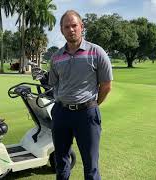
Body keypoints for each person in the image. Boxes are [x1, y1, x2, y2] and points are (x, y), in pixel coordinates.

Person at [49, 10, 113, 180]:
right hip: (61, 113)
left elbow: (106, 86)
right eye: (66, 26)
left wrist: (93, 105)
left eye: (74, 25)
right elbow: (53, 84)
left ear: (81, 27)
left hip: (86, 114)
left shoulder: (97, 52)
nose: (71, 29)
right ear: (62, 30)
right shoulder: (56, 57)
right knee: (61, 161)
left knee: (90, 164)